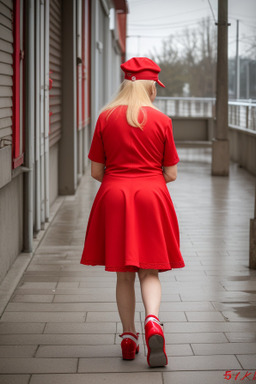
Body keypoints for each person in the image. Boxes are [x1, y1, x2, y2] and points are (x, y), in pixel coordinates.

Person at [80, 57, 185, 368]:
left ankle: (128, 338)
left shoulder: (105, 118)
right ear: (151, 87)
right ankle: (153, 321)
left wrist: (121, 178)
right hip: (152, 196)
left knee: (123, 275)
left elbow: (96, 171)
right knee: (149, 269)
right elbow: (172, 173)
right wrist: (148, 178)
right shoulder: (162, 121)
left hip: (114, 195)